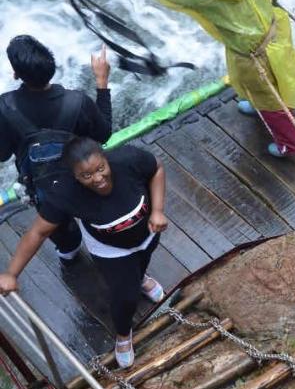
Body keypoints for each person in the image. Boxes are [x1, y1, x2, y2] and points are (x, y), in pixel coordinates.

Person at [121, 0, 295, 157]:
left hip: (253, 56)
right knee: (282, 78)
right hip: (275, 33)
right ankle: (260, 105)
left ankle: (292, 144)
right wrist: (266, 2)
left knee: (270, 100)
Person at [0, 138, 169, 368]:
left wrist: (157, 210)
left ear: (106, 158)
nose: (98, 179)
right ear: (74, 176)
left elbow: (157, 168)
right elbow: (38, 232)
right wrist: (11, 273)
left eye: (101, 169)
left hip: (148, 234)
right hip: (111, 250)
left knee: (141, 264)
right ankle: (122, 335)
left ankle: (141, 279)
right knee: (125, 297)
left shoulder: (129, 159)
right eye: (87, 175)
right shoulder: (65, 194)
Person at [0, 37, 112, 260]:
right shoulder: (77, 102)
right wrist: (101, 82)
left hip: (46, 189)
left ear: (15, 74)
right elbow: (104, 134)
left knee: (63, 234)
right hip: (85, 178)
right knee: (97, 215)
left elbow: (2, 154)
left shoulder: (4, 107)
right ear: (52, 67)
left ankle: (69, 254)